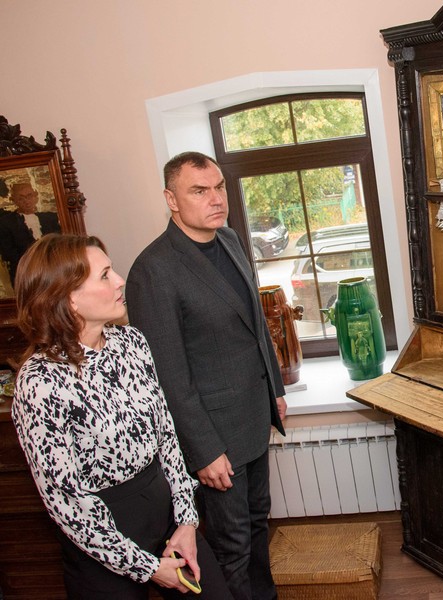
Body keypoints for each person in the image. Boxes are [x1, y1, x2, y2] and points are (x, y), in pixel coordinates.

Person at [11, 233, 232, 599]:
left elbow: (166, 437)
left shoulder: (131, 343)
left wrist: (186, 521)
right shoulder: (40, 382)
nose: (119, 281)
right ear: (68, 298)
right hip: (99, 541)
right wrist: (148, 568)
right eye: (104, 275)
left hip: (164, 513)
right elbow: (66, 501)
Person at [126, 151, 287, 600]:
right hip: (214, 439)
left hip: (253, 417)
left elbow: (255, 326)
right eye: (199, 191)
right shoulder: (152, 270)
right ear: (171, 199)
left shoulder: (230, 239)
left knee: (258, 526)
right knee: (231, 547)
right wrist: (203, 450)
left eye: (219, 187)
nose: (216, 199)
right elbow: (167, 375)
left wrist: (274, 390)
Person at [0, 181, 61, 285]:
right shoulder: (7, 223)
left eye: (29, 196)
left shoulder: (50, 218)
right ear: (14, 200)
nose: (26, 201)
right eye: (21, 198)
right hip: (26, 274)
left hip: (54, 269)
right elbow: (9, 253)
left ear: (35, 197)